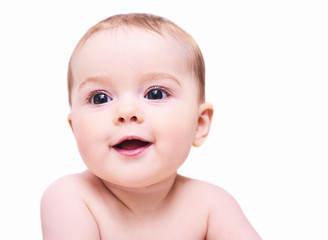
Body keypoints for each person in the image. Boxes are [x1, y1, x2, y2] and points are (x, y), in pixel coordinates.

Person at [41, 13, 261, 239]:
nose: (127, 113)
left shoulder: (211, 205)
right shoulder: (71, 197)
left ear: (199, 123)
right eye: (100, 98)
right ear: (75, 129)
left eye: (155, 94)